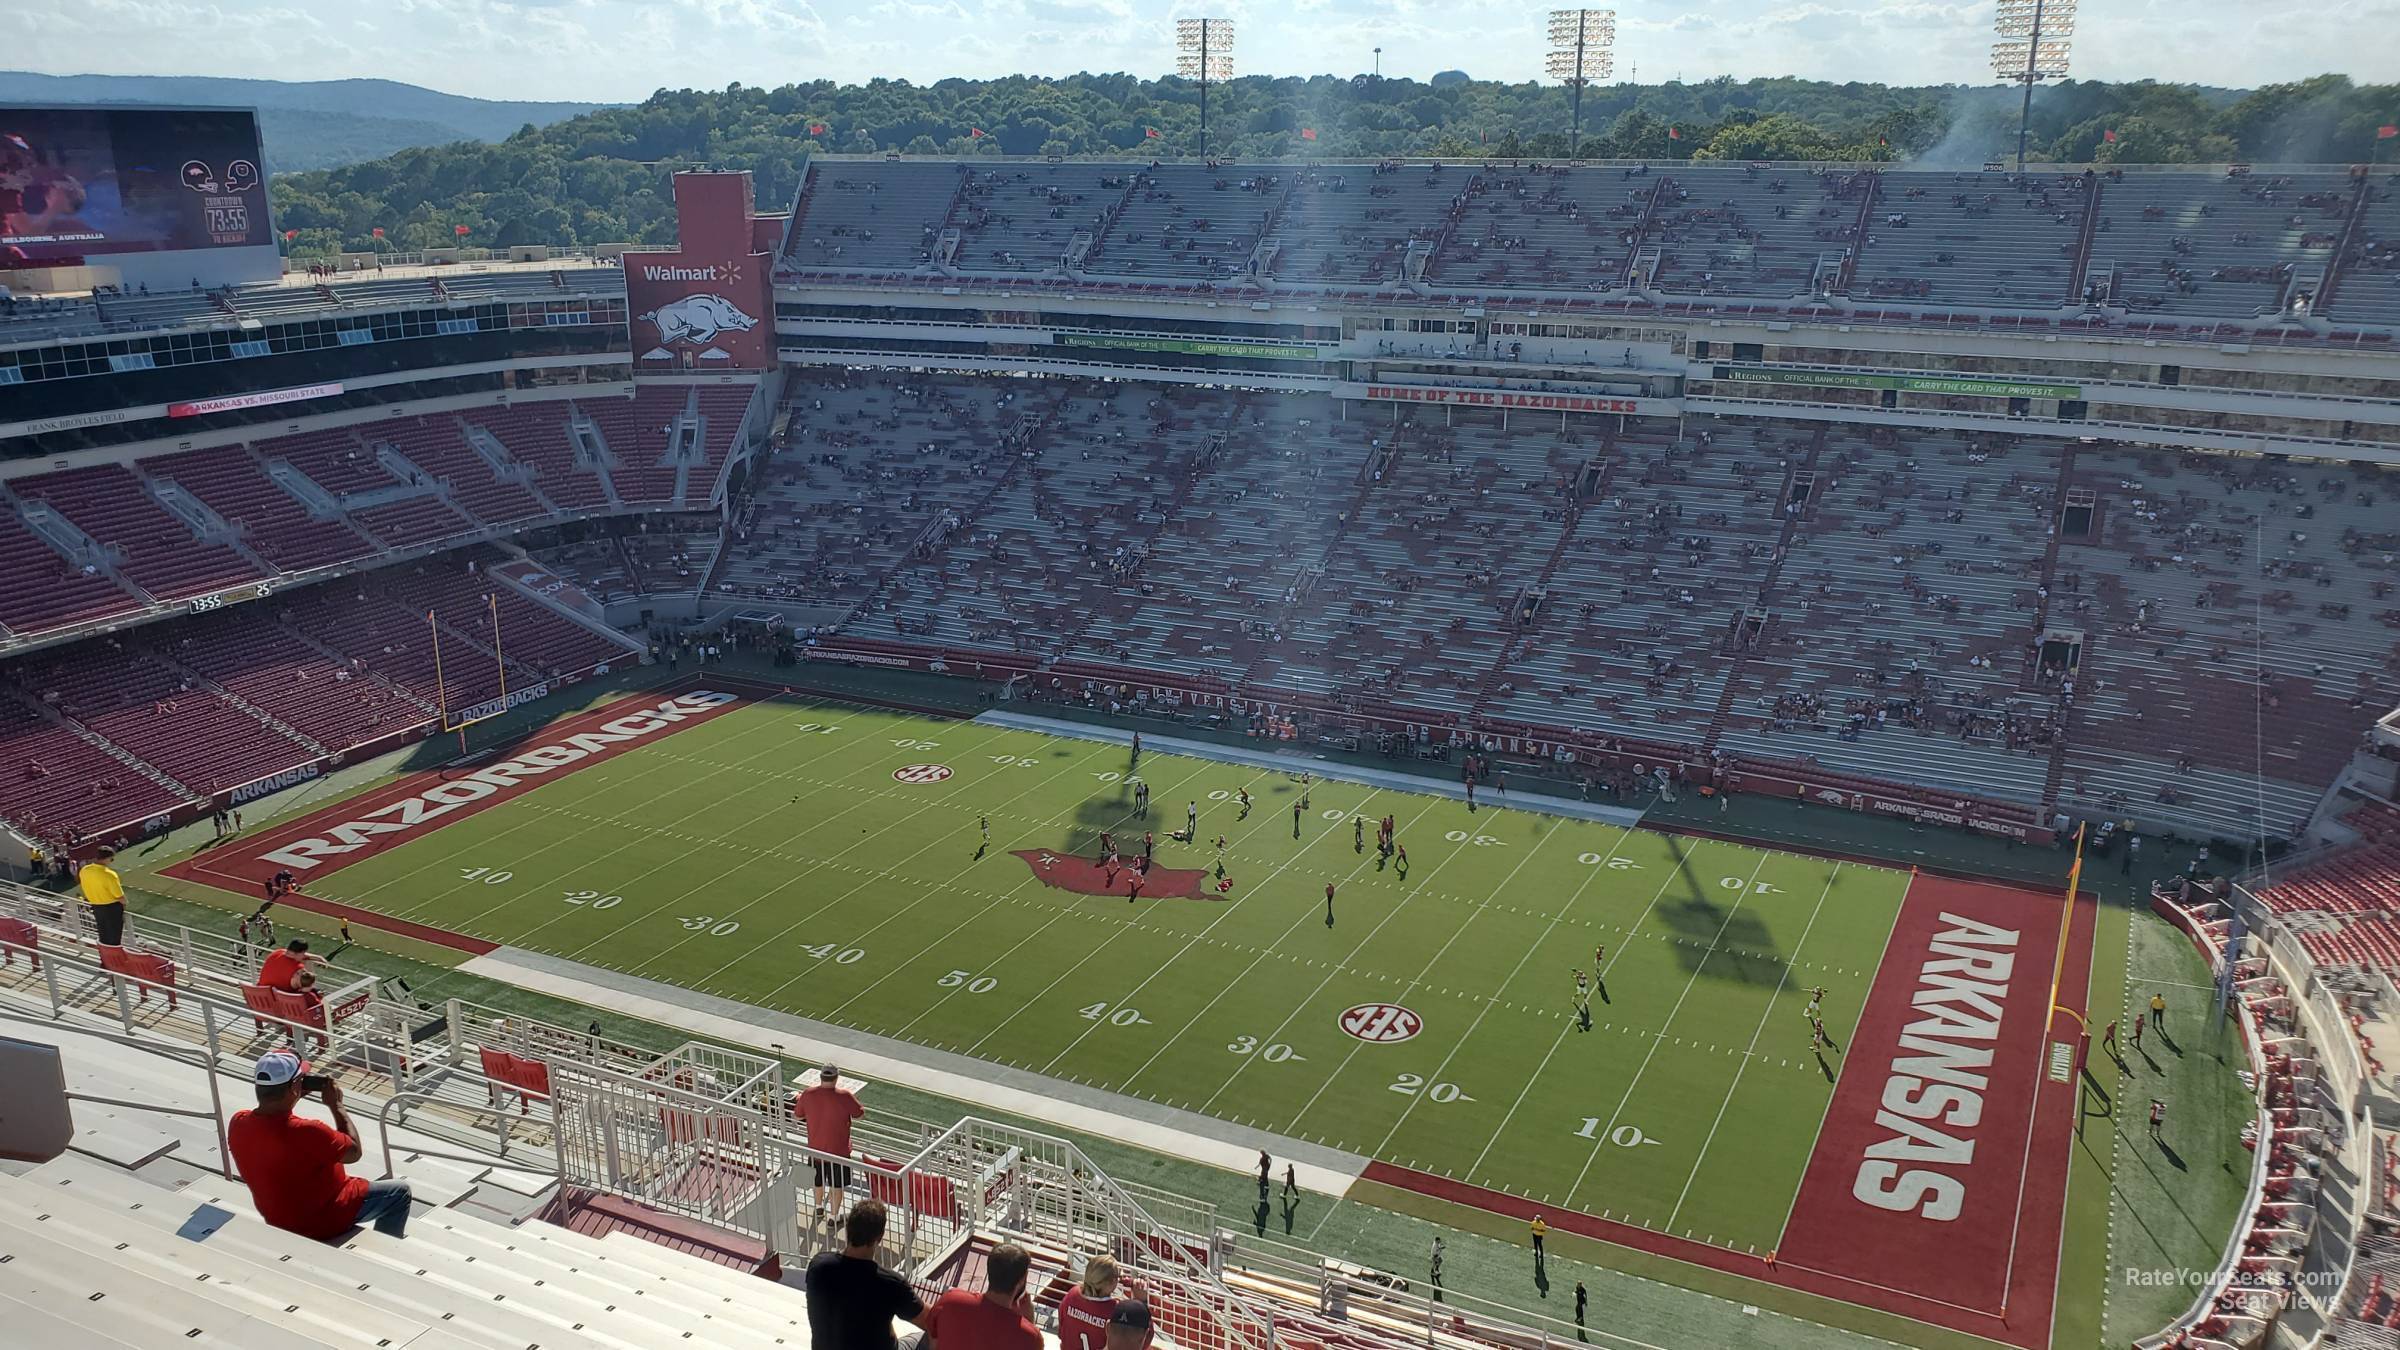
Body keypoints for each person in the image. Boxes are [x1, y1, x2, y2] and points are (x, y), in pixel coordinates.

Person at [229, 1048, 413, 1239]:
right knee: (399, 1193)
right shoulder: (309, 1131)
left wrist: (294, 1095)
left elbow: (274, 1127)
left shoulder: (238, 1122)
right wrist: (337, 1106)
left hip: (279, 1219)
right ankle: (389, 1247)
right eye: (302, 1079)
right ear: (293, 1088)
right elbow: (354, 1152)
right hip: (323, 1220)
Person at [804, 1200, 927, 1350]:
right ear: (879, 1237)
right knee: (927, 1337)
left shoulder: (818, 1266)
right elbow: (931, 1321)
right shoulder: (891, 1284)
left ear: (848, 1229)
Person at [921, 1241, 1041, 1350]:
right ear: (1021, 1280)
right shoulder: (1029, 1336)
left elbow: (933, 1343)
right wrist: (1028, 1321)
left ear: (989, 1270)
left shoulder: (950, 1300)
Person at [794, 1065, 864, 1227]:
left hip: (816, 1149)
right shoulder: (845, 1095)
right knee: (836, 1185)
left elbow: (797, 1116)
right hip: (839, 1152)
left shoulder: (808, 1093)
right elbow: (860, 1115)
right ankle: (833, 1217)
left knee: (817, 1180)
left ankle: (818, 1207)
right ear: (836, 1078)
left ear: (820, 1077)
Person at [1058, 1255, 1143, 1350]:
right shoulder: (1115, 1311)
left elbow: (1061, 1332)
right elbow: (1139, 1341)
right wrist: (1141, 1302)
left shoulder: (1072, 1295)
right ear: (1113, 1281)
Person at [79, 843, 126, 946]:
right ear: (107, 858)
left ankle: (105, 958)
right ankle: (114, 959)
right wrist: (124, 904)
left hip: (96, 906)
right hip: (111, 907)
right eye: (111, 859)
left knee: (103, 934)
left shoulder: (85, 870)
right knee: (114, 936)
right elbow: (119, 896)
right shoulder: (109, 874)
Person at [257, 938, 321, 992]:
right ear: (298, 953)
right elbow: (306, 988)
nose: (304, 956)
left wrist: (316, 957)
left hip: (260, 995)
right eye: (304, 953)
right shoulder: (298, 969)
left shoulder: (277, 952)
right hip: (277, 1002)